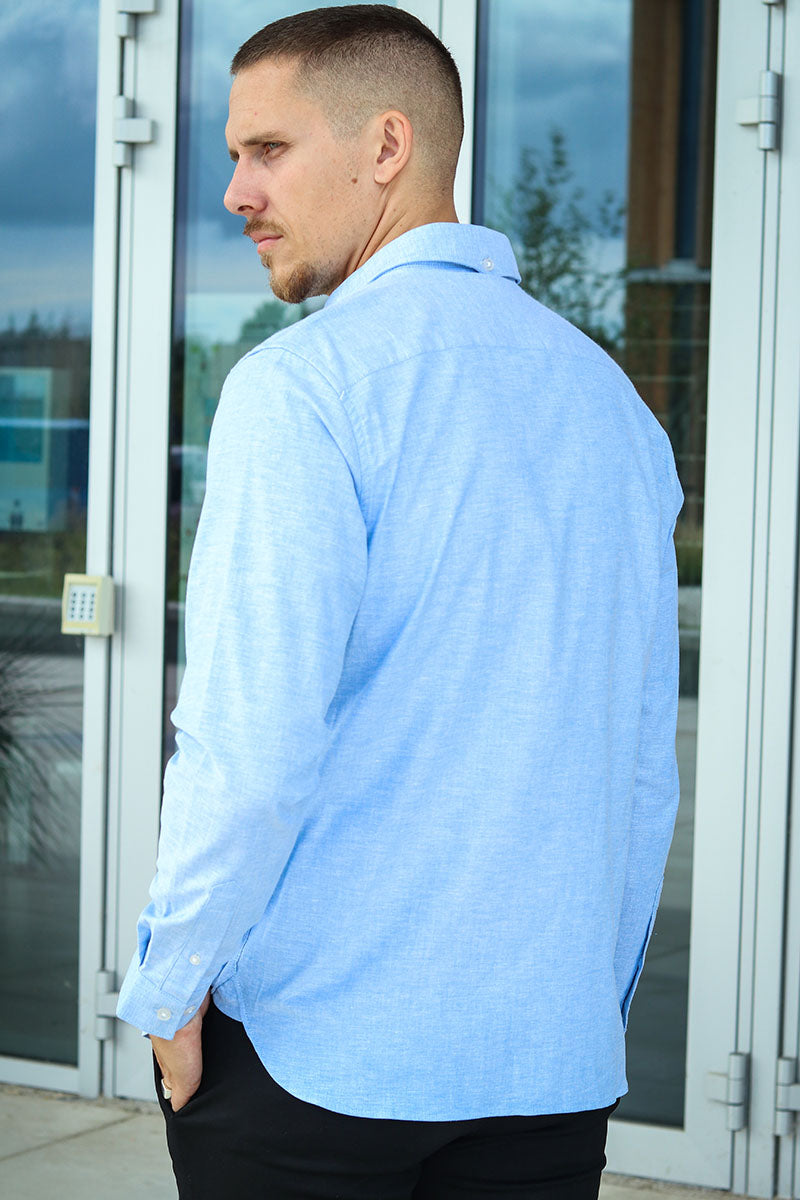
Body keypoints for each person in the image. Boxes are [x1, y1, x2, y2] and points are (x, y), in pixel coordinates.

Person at [117, 5, 683, 1197]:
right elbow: (639, 772)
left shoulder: (303, 389)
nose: (234, 192)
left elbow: (247, 753)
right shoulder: (615, 411)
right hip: (545, 1068)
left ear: (386, 146)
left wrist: (169, 987)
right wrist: (585, 1005)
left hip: (316, 1066)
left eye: (267, 150)